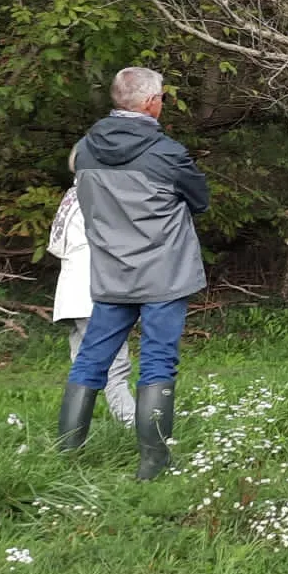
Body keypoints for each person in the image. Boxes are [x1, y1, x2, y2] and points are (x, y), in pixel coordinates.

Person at [57, 66, 209, 481]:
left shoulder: (85, 150)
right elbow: (199, 199)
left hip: (111, 273)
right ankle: (153, 464)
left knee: (90, 361)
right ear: (148, 103)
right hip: (164, 274)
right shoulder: (167, 153)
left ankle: (65, 459)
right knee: (158, 362)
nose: (162, 102)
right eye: (161, 96)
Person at [45, 185, 134, 427]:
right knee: (114, 367)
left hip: (71, 292)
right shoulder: (98, 193)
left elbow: (55, 245)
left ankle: (72, 432)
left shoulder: (72, 195)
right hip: (95, 290)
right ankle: (136, 426)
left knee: (83, 366)